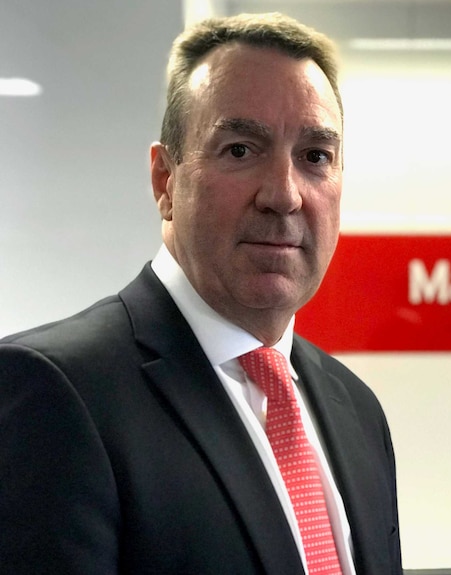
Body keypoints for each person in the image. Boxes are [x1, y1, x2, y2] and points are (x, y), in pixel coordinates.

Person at [0, 12, 402, 575]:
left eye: (315, 157)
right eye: (240, 149)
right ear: (165, 181)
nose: (284, 196)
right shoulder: (53, 392)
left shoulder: (357, 410)